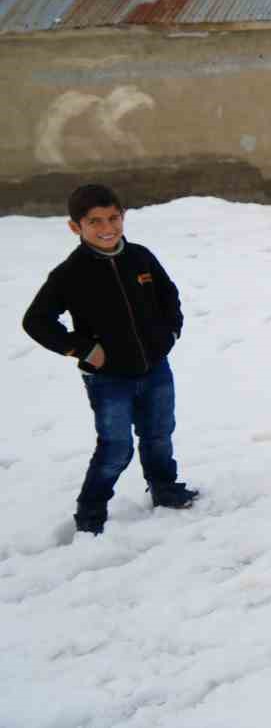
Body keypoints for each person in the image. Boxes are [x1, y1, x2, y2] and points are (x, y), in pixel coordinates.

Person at [22, 184, 198, 536]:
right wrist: (84, 350)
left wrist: (170, 333)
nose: (107, 228)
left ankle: (164, 487)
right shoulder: (69, 274)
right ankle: (91, 511)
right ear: (76, 227)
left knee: (159, 434)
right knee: (115, 448)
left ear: (123, 216)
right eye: (95, 221)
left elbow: (169, 297)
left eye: (114, 218)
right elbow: (36, 321)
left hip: (155, 368)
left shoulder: (141, 258)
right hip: (108, 378)